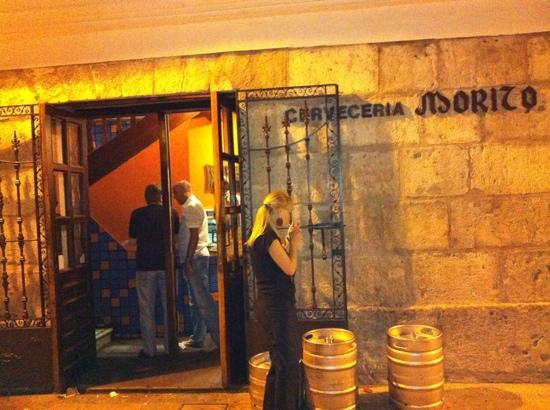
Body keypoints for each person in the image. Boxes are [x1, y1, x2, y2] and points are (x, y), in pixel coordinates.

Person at [246, 191, 304, 410]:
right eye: (288, 210)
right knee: (288, 365)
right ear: (277, 211)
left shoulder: (263, 238)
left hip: (270, 306)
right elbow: (289, 268)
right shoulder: (268, 240)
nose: (289, 215)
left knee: (279, 363)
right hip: (277, 308)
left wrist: (288, 240)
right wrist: (294, 245)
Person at [128, 184, 179, 358]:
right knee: (169, 307)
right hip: (167, 266)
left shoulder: (137, 214)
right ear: (161, 197)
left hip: (145, 265)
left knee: (146, 309)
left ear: (146, 198)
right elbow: (176, 238)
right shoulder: (171, 213)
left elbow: (133, 239)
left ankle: (149, 350)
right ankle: (170, 347)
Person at [173, 180, 220, 348]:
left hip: (195, 258)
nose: (174, 197)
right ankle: (198, 337)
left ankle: (220, 340)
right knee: (197, 300)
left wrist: (188, 261)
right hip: (196, 257)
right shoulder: (192, 205)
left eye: (175, 193)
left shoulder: (191, 207)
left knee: (203, 301)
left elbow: (194, 236)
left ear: (184, 191)